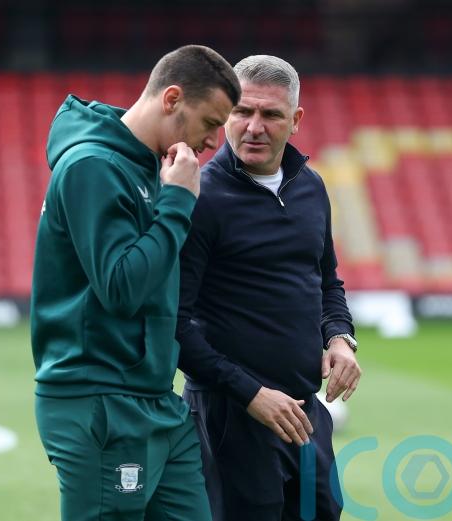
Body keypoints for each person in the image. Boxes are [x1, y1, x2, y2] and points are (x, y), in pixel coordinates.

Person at [31, 45, 240, 521]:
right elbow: (121, 289)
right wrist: (179, 202)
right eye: (210, 122)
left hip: (155, 399)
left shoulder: (153, 166)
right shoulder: (92, 166)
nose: (213, 141)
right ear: (171, 98)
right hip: (98, 399)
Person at [176, 55, 361, 521]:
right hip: (229, 416)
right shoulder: (199, 196)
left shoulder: (311, 187)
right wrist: (250, 393)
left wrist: (339, 337)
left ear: (295, 121)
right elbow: (172, 324)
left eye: (271, 115)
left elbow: (326, 281)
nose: (254, 127)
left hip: (303, 414)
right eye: (243, 112)